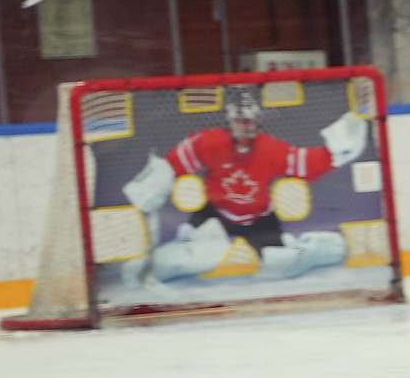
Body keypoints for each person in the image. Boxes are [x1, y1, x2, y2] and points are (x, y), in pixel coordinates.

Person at [120, 83, 370, 285]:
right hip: (215, 214)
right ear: (230, 120)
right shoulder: (210, 143)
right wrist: (149, 188)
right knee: (198, 259)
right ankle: (147, 266)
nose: (244, 126)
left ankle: (316, 246)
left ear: (257, 121)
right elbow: (170, 165)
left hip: (259, 218)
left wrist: (338, 150)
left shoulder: (270, 149)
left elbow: (309, 163)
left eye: (248, 121)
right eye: (239, 121)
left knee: (280, 265)